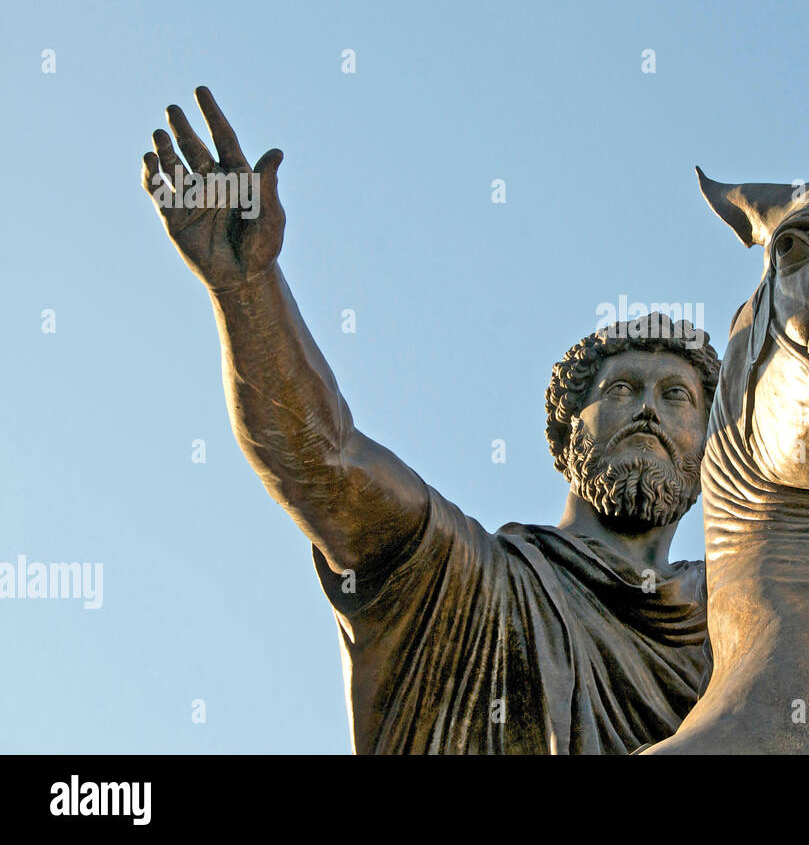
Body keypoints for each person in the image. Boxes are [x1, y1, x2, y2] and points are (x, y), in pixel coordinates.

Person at [141, 87, 720, 753]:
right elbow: (322, 461)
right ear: (567, 432)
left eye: (677, 397)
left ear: (712, 447)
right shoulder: (465, 581)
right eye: (621, 387)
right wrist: (245, 289)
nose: (648, 404)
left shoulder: (741, 623)